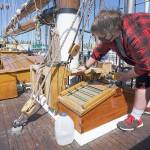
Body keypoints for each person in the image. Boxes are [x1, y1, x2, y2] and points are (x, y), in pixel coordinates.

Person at [78, 10, 150, 131]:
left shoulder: (134, 33)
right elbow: (99, 50)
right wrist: (85, 67)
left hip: (147, 54)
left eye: (102, 36)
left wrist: (126, 75)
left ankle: (136, 118)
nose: (100, 39)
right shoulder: (110, 36)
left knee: (143, 80)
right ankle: (147, 105)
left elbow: (145, 65)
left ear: (113, 30)